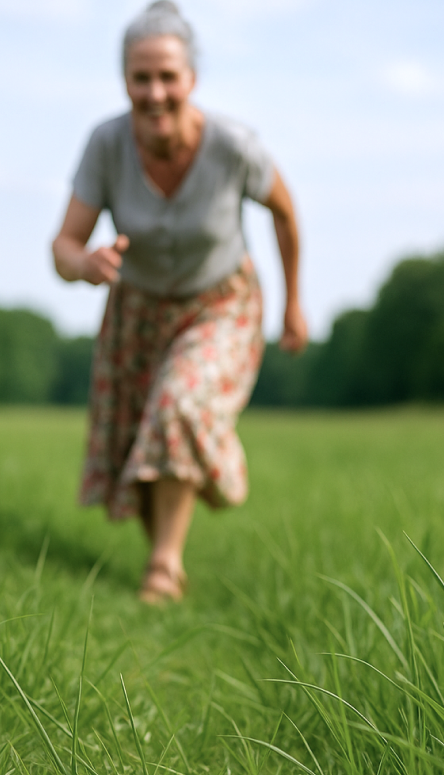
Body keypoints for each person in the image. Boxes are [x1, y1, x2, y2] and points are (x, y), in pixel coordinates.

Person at [52, 0, 308, 604]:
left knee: (180, 404)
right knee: (137, 444)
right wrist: (83, 264)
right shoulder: (106, 144)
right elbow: (62, 245)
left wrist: (294, 303)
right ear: (125, 80)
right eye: (142, 77)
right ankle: (165, 548)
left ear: (191, 78)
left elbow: (286, 213)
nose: (156, 91)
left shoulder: (233, 146)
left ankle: (163, 567)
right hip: (137, 311)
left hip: (220, 302)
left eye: (168, 76)